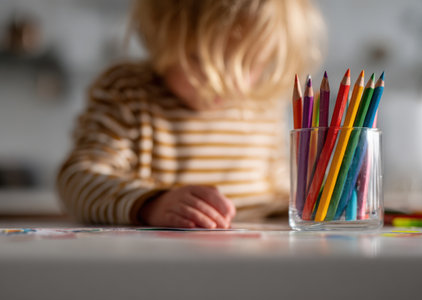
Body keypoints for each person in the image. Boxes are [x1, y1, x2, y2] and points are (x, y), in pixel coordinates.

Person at [57, 0, 324, 228]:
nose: (226, 82)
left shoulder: (262, 103)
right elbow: (77, 180)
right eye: (199, 59)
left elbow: (277, 189)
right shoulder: (127, 93)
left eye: (248, 63)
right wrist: (150, 204)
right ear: (161, 37)